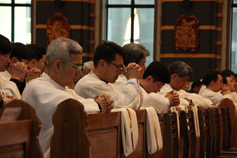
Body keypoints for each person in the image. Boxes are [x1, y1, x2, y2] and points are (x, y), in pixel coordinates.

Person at [22, 37, 114, 158]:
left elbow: (80, 101)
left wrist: (101, 102)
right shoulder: (37, 86)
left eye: (80, 67)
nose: (78, 72)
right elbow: (70, 107)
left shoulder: (62, 88)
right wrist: (98, 104)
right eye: (75, 66)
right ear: (58, 65)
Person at [74, 41, 142, 110]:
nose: (120, 72)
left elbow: (136, 104)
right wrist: (132, 79)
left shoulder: (109, 83)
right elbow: (123, 105)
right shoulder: (89, 85)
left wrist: (132, 79)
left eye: (121, 68)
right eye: (118, 67)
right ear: (102, 64)